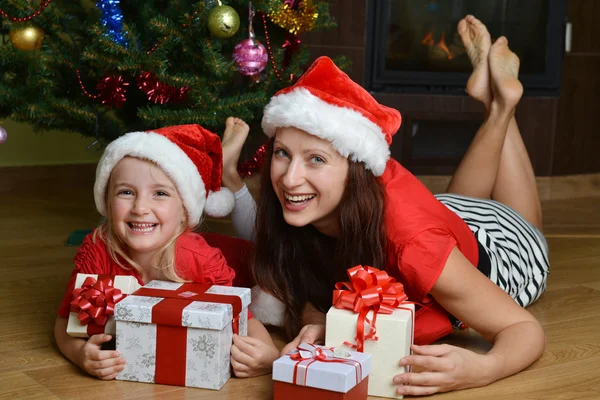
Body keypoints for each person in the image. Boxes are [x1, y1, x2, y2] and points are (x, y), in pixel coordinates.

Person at [221, 15, 550, 396]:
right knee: (451, 209)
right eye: (282, 153)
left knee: (529, 224)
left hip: (502, 247)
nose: (290, 179)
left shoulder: (415, 244)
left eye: (315, 160)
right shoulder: (319, 202)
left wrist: (482, 368)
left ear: (356, 168)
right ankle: (495, 101)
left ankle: (502, 106)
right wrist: (325, 323)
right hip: (448, 215)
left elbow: (524, 330)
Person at [54, 124, 279, 381]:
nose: (140, 208)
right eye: (126, 192)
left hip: (244, 259)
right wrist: (80, 354)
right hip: (183, 240)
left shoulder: (200, 261)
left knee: (273, 277)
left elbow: (246, 318)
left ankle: (226, 166)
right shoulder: (97, 253)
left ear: (184, 210)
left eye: (159, 193)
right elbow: (63, 323)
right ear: (106, 201)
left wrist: (270, 355)